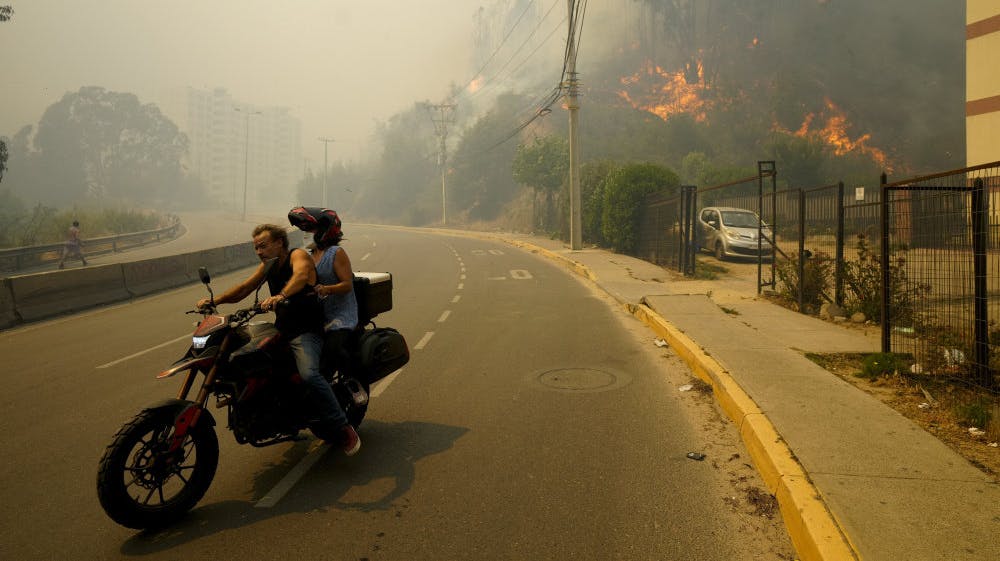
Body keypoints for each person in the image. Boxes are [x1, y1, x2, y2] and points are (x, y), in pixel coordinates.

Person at [195, 223, 360, 455]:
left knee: (310, 374)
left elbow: (302, 276)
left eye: (263, 246)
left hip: (306, 331)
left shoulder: (298, 255)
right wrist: (216, 302)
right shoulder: (269, 266)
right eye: (256, 248)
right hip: (282, 330)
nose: (259, 252)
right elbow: (244, 288)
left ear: (280, 243)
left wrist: (281, 295)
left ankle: (342, 427)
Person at [287, 207, 359, 379]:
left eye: (309, 229)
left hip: (340, 316)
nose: (305, 234)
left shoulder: (336, 253)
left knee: (330, 352)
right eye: (303, 230)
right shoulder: (308, 256)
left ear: (325, 231)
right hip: (319, 316)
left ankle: (352, 381)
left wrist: (328, 289)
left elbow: (347, 285)